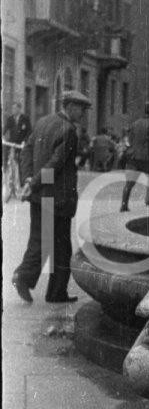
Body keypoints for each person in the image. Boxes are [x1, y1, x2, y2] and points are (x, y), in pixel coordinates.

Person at [11, 90, 92, 304]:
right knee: (59, 247)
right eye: (82, 109)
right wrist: (35, 182)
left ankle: (51, 290)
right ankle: (32, 281)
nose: (83, 114)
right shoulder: (69, 131)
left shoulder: (42, 122)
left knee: (42, 240)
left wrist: (29, 180)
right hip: (58, 199)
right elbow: (55, 165)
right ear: (70, 106)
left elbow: (26, 151)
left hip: (40, 196)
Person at [120, 101, 149, 211]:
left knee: (129, 183)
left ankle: (124, 205)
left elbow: (129, 140)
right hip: (146, 159)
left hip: (133, 157)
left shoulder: (135, 123)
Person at [3, 101, 32, 171]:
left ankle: (20, 175)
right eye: (12, 108)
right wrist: (3, 134)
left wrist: (25, 141)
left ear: (19, 109)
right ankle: (6, 168)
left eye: (15, 108)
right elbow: (5, 128)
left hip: (21, 143)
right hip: (12, 142)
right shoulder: (10, 119)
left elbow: (29, 131)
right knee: (7, 156)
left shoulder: (25, 118)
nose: (13, 110)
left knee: (20, 162)